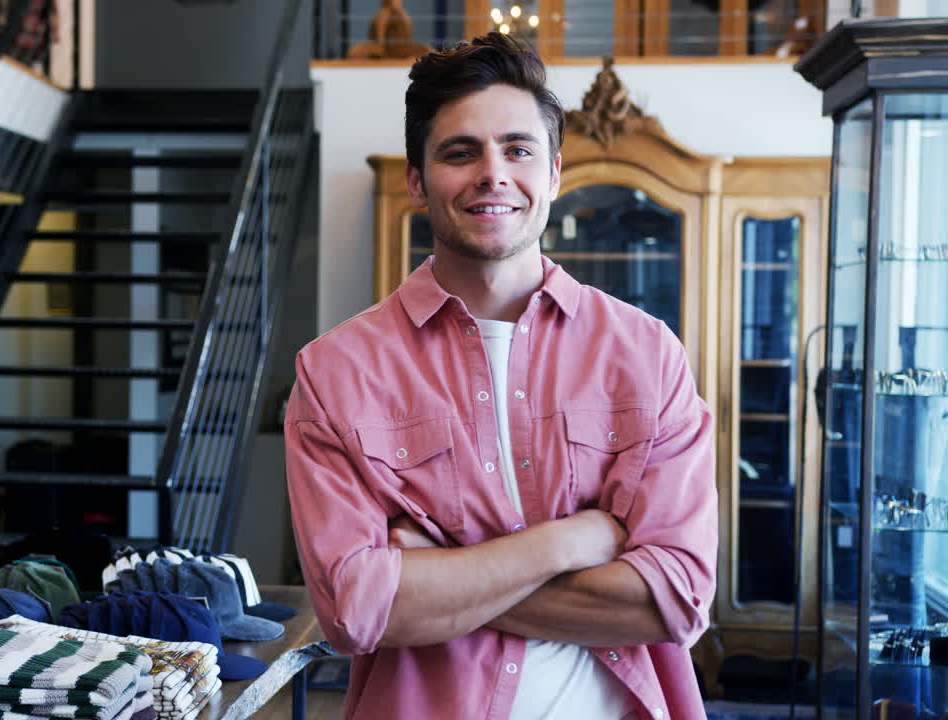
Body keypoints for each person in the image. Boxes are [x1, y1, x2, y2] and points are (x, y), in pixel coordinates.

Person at [284, 32, 716, 720]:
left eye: (518, 149)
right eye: (461, 152)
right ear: (417, 181)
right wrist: (571, 540)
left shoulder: (648, 355)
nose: (493, 173)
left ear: (553, 173)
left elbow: (677, 598)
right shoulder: (335, 373)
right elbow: (356, 613)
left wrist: (439, 576)